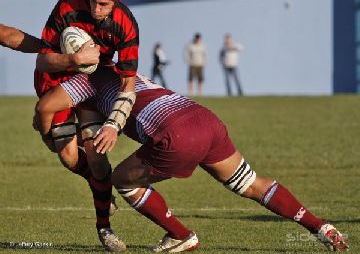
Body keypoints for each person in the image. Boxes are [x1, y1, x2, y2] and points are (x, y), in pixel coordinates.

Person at [34, 67, 349, 253]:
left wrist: (50, 137)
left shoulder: (81, 80)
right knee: (251, 184)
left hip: (177, 134)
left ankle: (181, 235)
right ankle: (321, 228)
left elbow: (47, 106)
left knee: (123, 181)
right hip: (204, 119)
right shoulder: (125, 70)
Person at [14, 0, 139, 251]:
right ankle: (99, 186)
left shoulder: (126, 25)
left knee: (95, 153)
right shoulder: (69, 4)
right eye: (94, 0)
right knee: (70, 158)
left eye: (104, 3)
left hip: (91, 84)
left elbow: (128, 82)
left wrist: (114, 124)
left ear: (116, 0)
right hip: (56, 80)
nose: (96, 7)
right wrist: (74, 58)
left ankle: (104, 227)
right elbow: (43, 61)